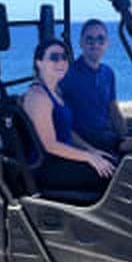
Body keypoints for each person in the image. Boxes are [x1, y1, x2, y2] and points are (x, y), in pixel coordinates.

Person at [22, 38, 116, 191]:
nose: (61, 62)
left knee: (111, 160)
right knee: (111, 175)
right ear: (39, 62)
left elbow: (67, 132)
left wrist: (90, 150)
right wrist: (88, 157)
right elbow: (50, 145)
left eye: (64, 57)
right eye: (54, 57)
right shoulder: (39, 97)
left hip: (64, 156)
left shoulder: (56, 92)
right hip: (49, 165)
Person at [60, 19, 132, 155]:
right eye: (89, 39)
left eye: (100, 39)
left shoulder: (107, 72)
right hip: (90, 139)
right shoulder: (68, 75)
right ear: (81, 43)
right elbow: (57, 116)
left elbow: (113, 110)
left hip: (108, 132)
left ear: (107, 43)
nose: (95, 44)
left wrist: (124, 136)